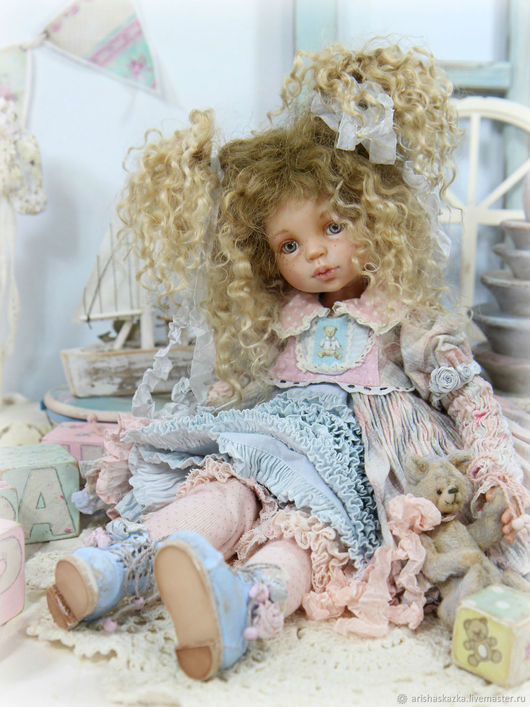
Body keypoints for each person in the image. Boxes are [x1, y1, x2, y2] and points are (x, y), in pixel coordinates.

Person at [46, 41, 530, 681]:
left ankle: (245, 602)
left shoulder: (401, 319)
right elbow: (252, 385)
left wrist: (491, 462)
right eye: (290, 245)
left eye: (332, 227)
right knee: (225, 487)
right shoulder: (288, 318)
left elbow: (467, 392)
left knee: (305, 529)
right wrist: (219, 407)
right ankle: (120, 564)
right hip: (276, 435)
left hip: (359, 460)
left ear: (373, 218)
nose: (316, 255)